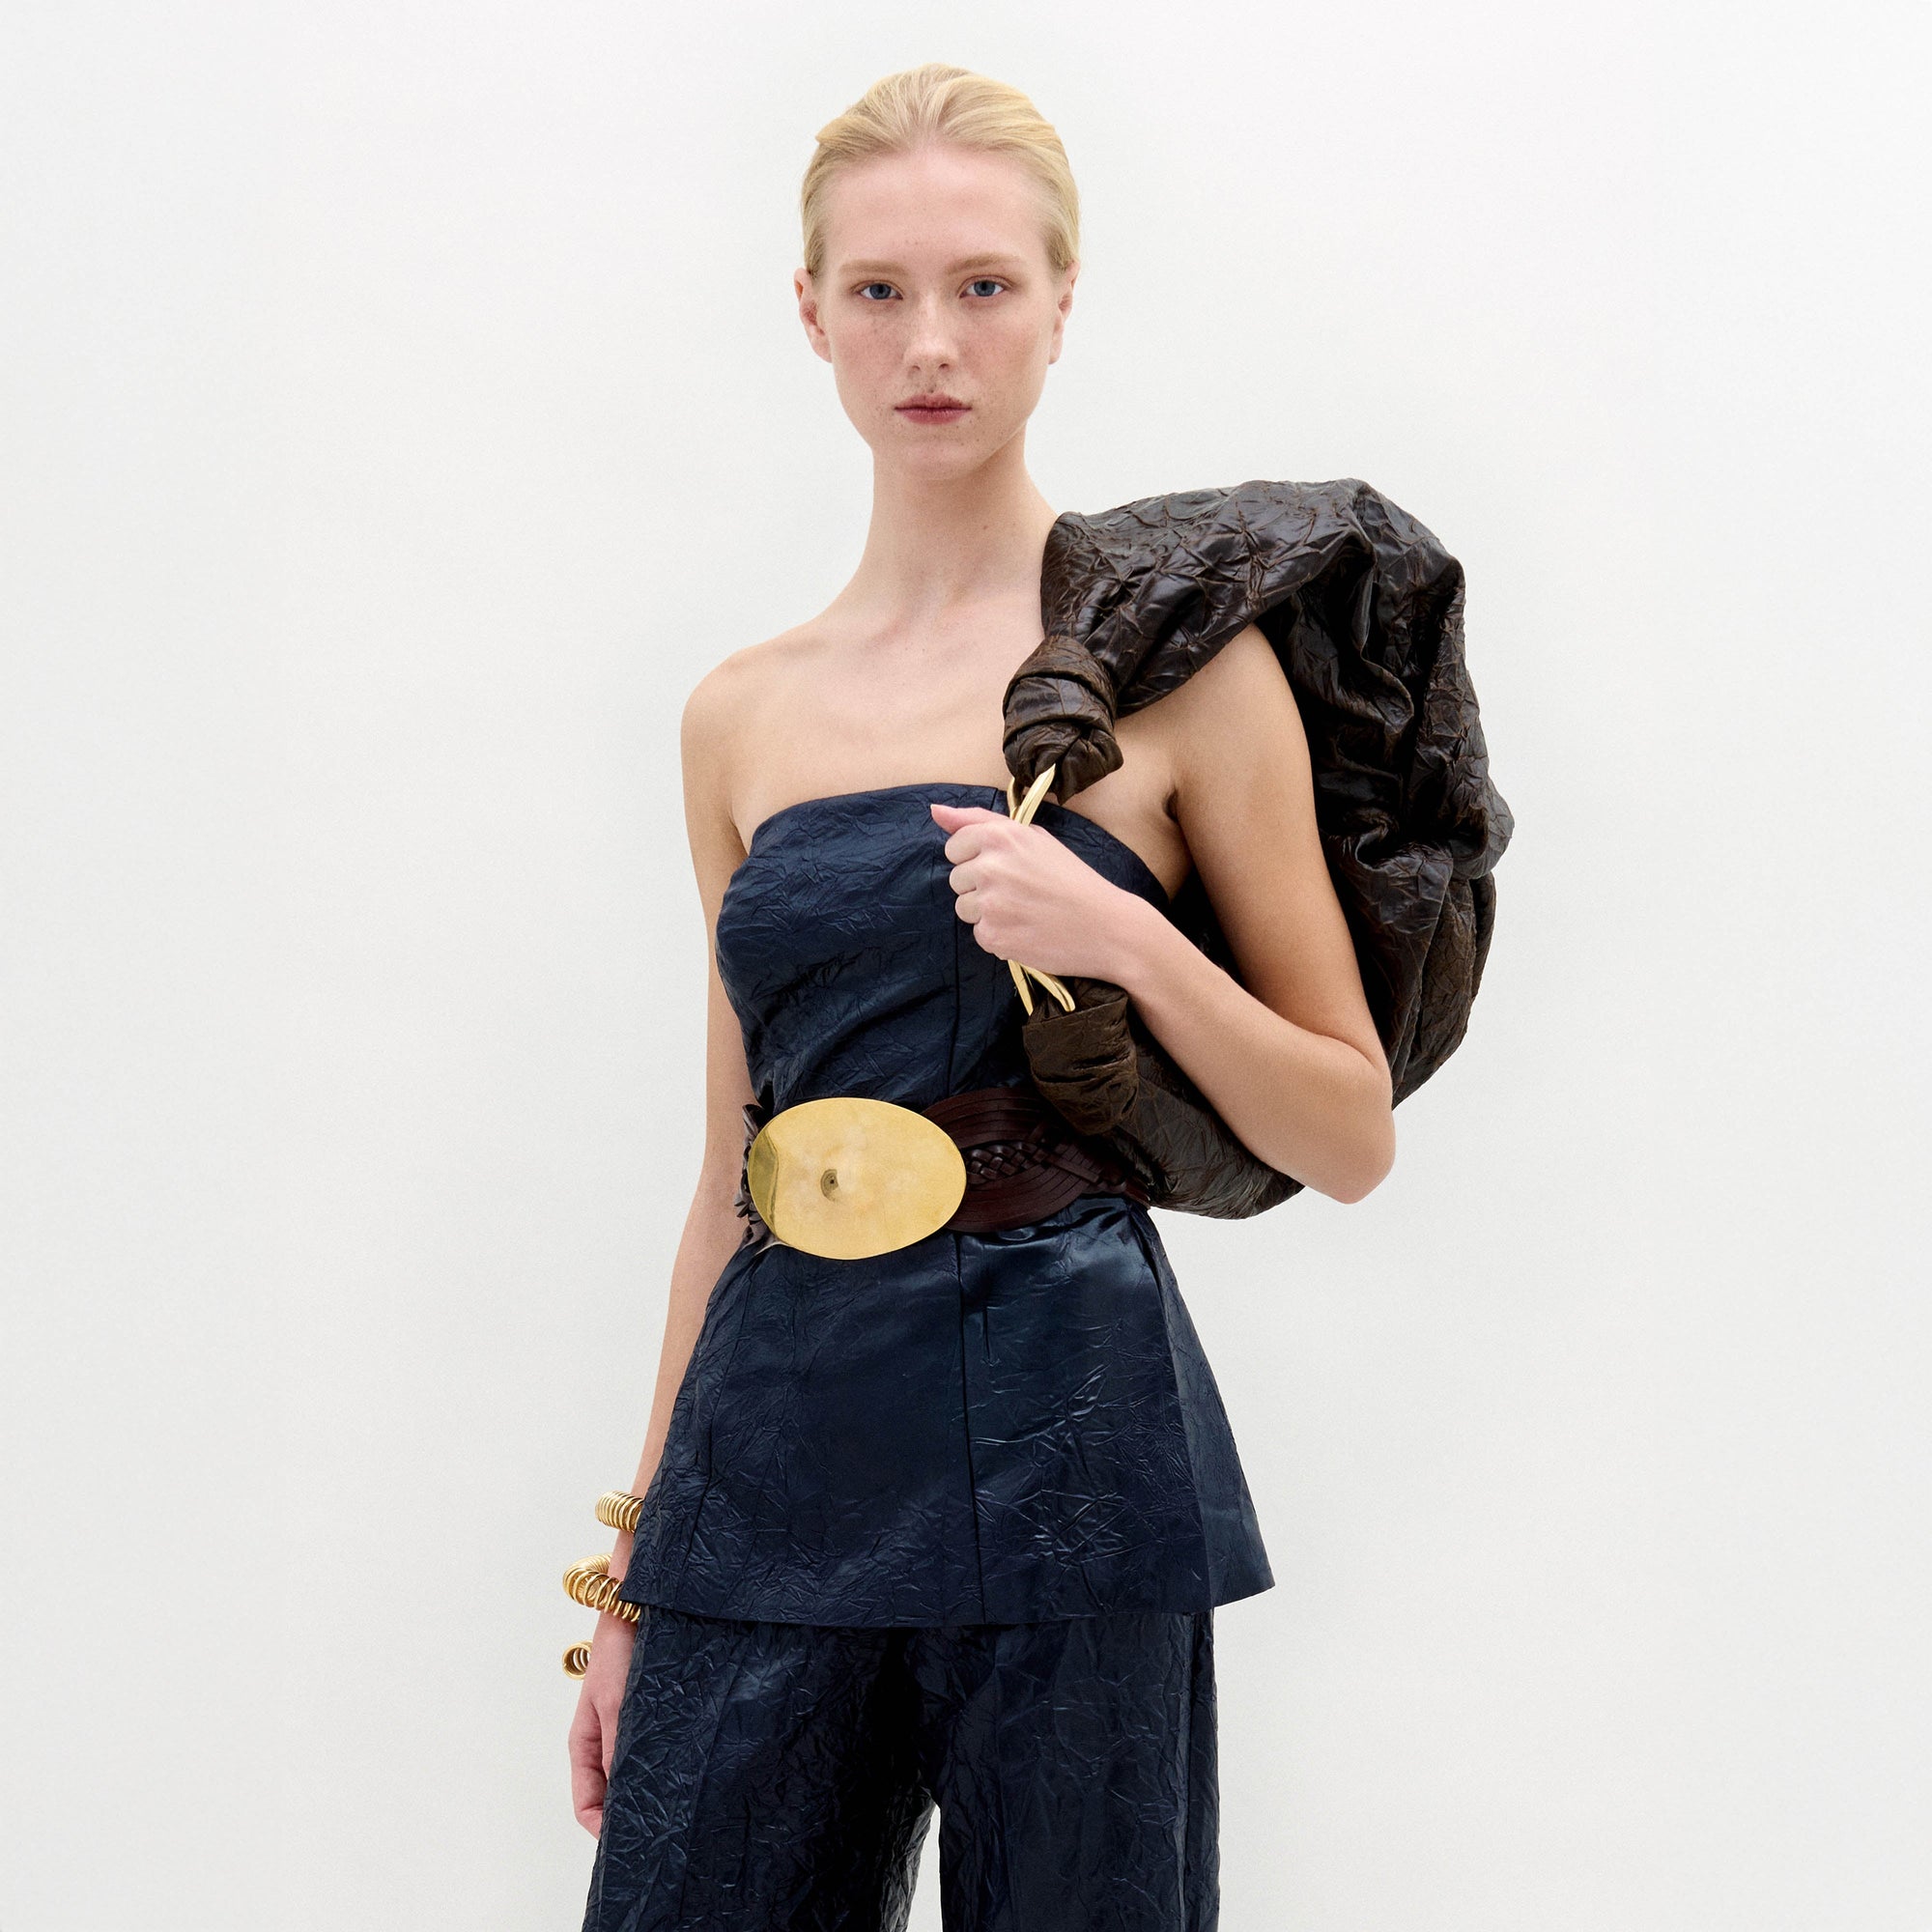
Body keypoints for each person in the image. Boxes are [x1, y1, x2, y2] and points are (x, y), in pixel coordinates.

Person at [570, 63, 1407, 1932]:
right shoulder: (741, 712)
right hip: (774, 1448)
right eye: (877, 290)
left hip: (1076, 1446)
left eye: (983, 286)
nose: (930, 341)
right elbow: (731, 1174)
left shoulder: (1183, 681)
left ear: (1062, 298)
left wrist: (1127, 938)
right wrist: (640, 1564)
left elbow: (1344, 1131)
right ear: (810, 315)